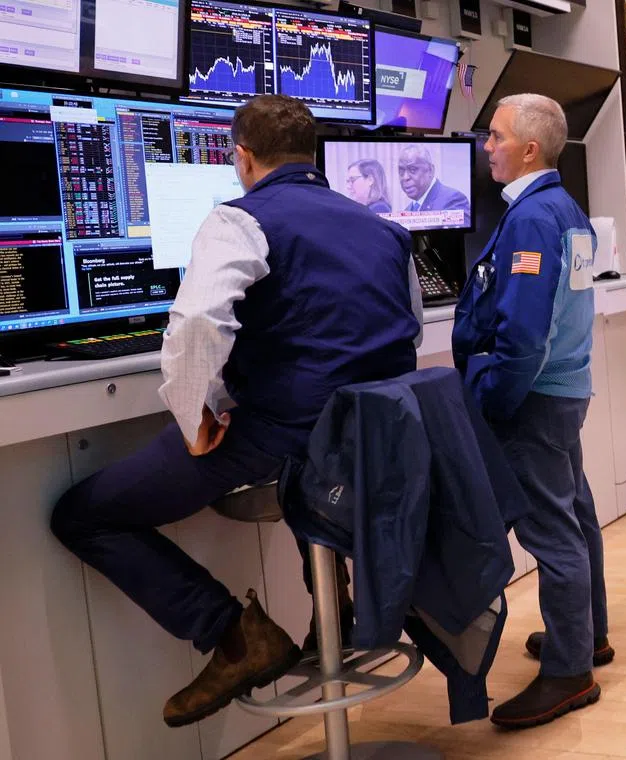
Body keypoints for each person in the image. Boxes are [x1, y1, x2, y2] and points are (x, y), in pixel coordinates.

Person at [50, 94, 423, 729]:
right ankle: (338, 603)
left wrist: (196, 418)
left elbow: (197, 319)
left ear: (242, 158)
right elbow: (409, 327)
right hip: (372, 434)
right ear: (314, 154)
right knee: (311, 463)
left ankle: (232, 635)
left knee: (83, 517)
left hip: (285, 435)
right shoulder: (385, 228)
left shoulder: (240, 219)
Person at [452, 93, 611, 729]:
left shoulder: (531, 221)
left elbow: (523, 336)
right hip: (563, 392)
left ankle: (571, 673)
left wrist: (492, 403)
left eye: (494, 136)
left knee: (552, 532)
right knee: (575, 514)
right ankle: (587, 635)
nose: (484, 146)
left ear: (529, 149)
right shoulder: (561, 208)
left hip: (534, 401)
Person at [398, 144, 471, 226]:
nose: (405, 177)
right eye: (401, 171)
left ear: (430, 170)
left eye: (413, 170)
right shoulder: (406, 212)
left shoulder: (453, 200)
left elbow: (458, 236)